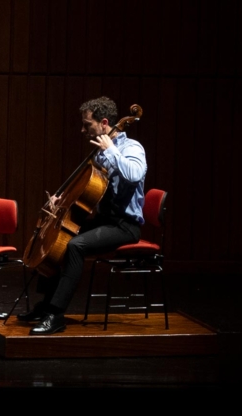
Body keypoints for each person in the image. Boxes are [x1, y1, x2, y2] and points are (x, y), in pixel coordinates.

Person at [15, 96, 147, 335]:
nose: (83, 129)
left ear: (104, 123)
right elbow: (88, 190)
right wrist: (61, 199)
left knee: (75, 246)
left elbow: (134, 175)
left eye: (88, 125)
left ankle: (55, 314)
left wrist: (112, 151)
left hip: (125, 226)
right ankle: (45, 306)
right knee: (59, 241)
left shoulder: (131, 148)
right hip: (105, 221)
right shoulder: (98, 155)